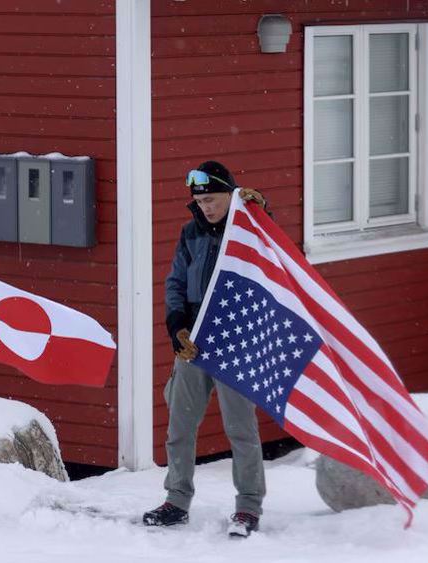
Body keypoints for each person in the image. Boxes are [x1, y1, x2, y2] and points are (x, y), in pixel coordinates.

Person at [142, 161, 269, 538]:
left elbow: (270, 246)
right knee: (179, 426)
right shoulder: (190, 233)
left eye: (212, 199)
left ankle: (248, 507)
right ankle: (176, 501)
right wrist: (177, 327)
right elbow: (175, 282)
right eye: (199, 201)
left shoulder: (247, 227)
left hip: (235, 340)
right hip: (194, 339)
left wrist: (259, 209)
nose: (206, 207)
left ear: (230, 196)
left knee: (240, 429)